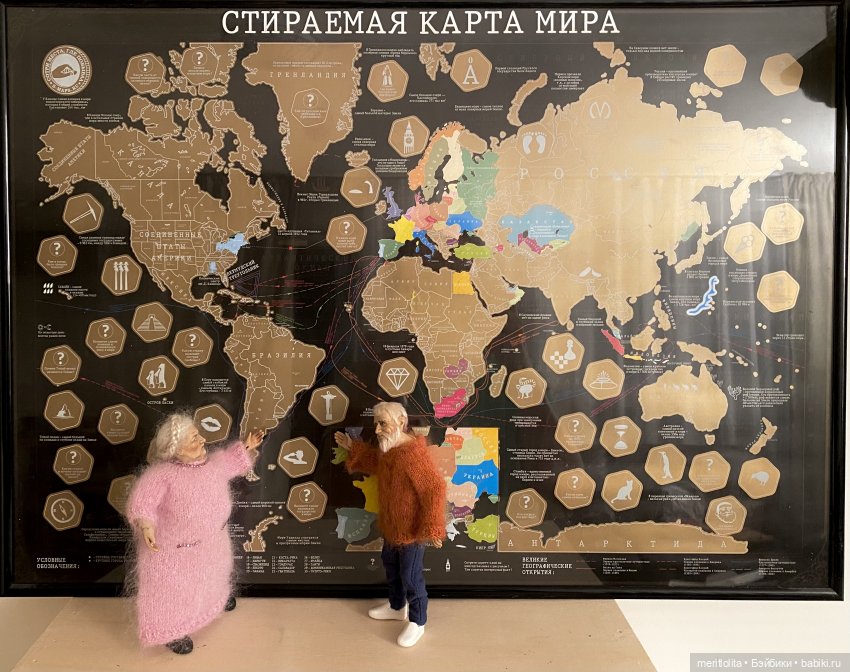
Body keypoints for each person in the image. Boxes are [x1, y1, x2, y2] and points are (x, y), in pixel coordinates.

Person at [125, 412, 265, 654]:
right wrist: (146, 525)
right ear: (177, 449)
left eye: (198, 434)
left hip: (213, 542)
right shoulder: (162, 475)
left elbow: (231, 460)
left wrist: (247, 445)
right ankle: (172, 629)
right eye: (193, 439)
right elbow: (143, 502)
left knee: (215, 576)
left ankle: (215, 601)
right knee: (177, 591)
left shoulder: (213, 465)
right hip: (176, 551)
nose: (202, 440)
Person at [334, 401, 446, 648]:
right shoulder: (390, 450)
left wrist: (433, 527)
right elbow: (374, 462)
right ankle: (397, 606)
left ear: (401, 422)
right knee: (391, 567)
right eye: (376, 423)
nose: (376, 430)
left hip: (412, 532)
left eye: (382, 424)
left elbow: (434, 488)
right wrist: (353, 447)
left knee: (411, 576)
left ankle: (418, 620)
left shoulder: (412, 455)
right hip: (392, 527)